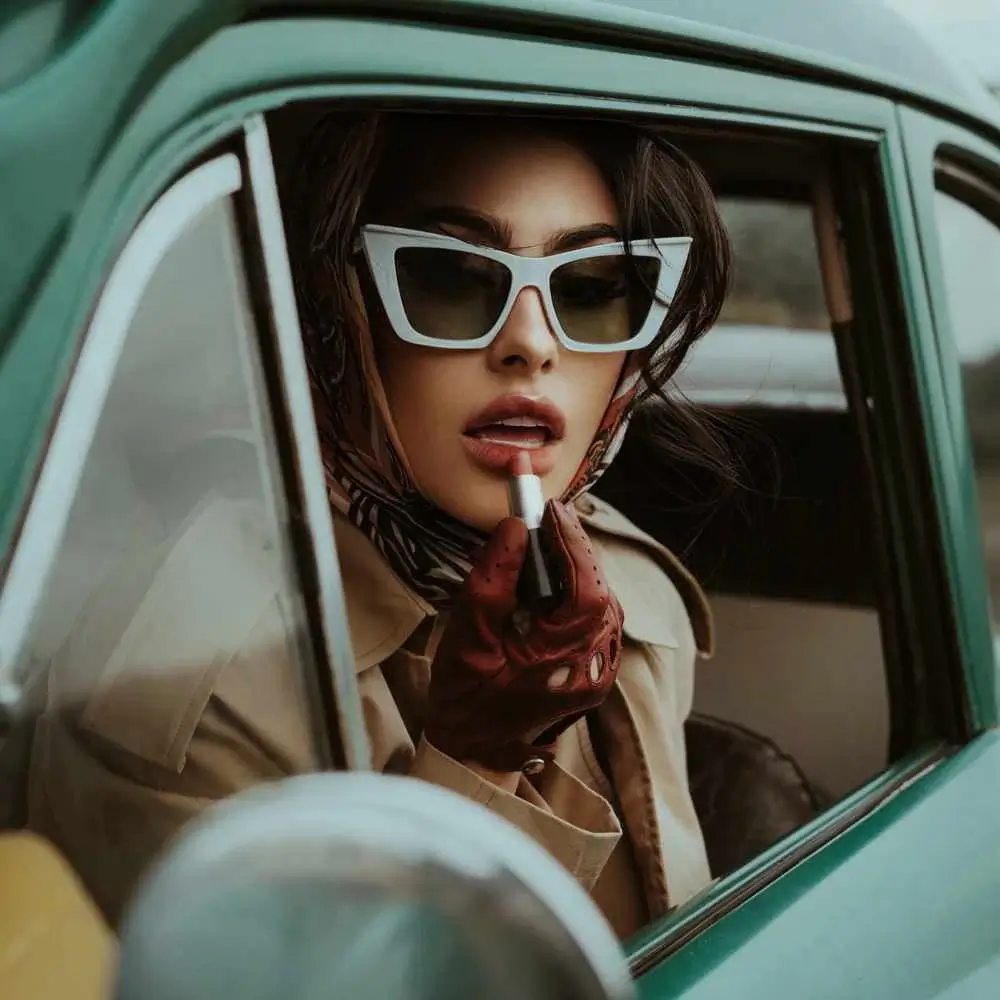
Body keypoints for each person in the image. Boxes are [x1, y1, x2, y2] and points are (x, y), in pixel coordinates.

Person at [26, 108, 732, 940]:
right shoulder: (182, 675)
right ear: (338, 309)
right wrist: (473, 760)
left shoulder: (631, 591)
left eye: (593, 287)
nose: (532, 344)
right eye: (451, 277)